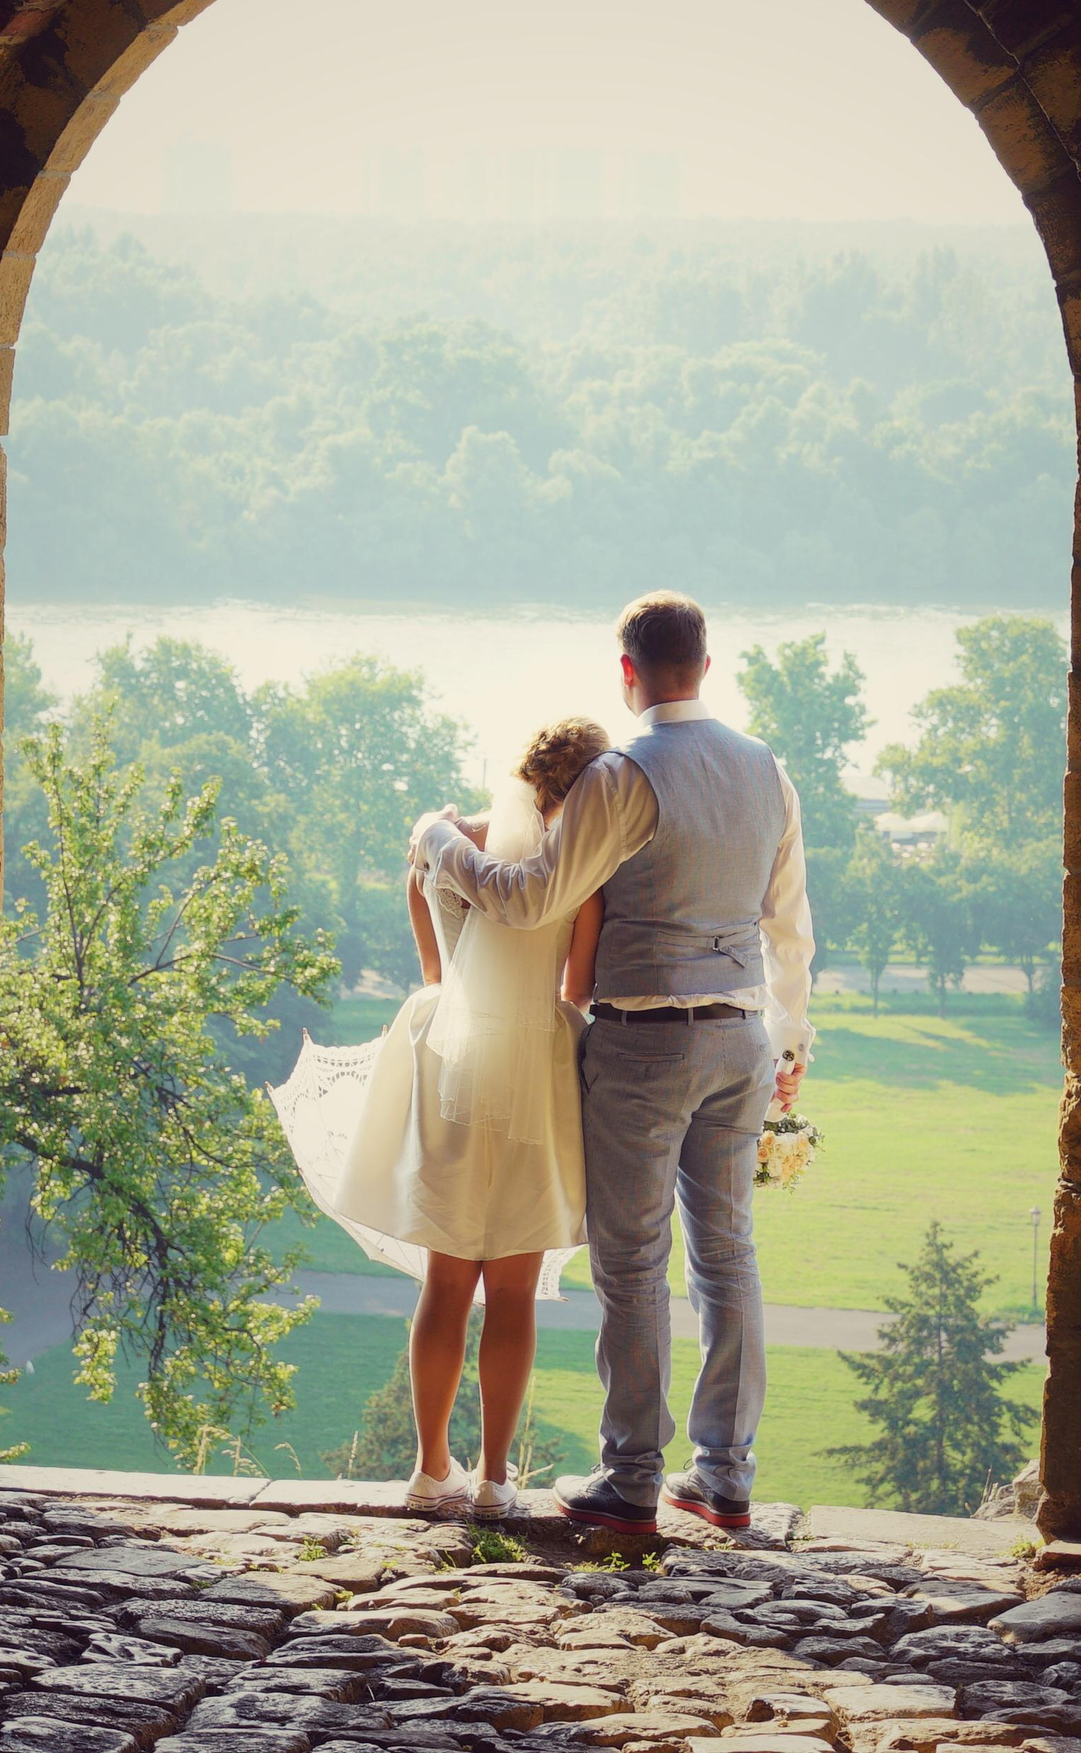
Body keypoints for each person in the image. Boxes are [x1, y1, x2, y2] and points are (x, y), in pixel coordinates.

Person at [410, 592, 813, 1532]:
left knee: (632, 1262)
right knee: (728, 1252)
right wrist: (791, 1045)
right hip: (741, 1035)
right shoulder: (769, 772)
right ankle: (725, 1471)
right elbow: (789, 925)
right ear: (706, 666)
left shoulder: (624, 775)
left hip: (644, 1041)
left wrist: (436, 842)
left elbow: (529, 895)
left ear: (626, 672)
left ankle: (632, 1478)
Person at [269, 716, 615, 1522]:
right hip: (535, 1072)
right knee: (516, 1292)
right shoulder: (581, 875)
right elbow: (577, 993)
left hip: (447, 1069)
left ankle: (432, 1468)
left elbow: (435, 973)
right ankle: (497, 1478)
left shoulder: (440, 850)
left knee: (447, 1279)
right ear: (582, 794)